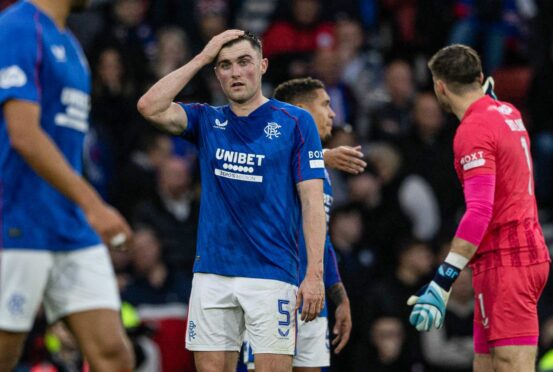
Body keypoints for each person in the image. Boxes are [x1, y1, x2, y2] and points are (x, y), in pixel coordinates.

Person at [137, 30, 327, 372]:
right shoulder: (207, 120)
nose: (235, 72)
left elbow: (312, 202)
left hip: (271, 272)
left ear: (263, 66)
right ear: (216, 73)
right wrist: (201, 57)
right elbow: (149, 106)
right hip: (212, 272)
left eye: (244, 62)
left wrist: (313, 274)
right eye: (224, 65)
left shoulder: (296, 122)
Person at [0, 1, 134, 371]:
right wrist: (94, 205)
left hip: (71, 226)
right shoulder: (17, 28)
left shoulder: (70, 43)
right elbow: (24, 136)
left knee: (114, 355)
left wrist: (84, 208)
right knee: (5, 353)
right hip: (18, 219)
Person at [407, 44, 551, 372]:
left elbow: (479, 211)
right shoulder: (508, 112)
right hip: (506, 257)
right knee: (484, 365)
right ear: (481, 78)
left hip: (508, 259)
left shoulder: (473, 129)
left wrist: (443, 280)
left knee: (513, 366)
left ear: (439, 86)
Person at [243, 77, 357, 372]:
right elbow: (269, 163)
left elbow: (321, 239)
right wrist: (324, 156)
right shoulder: (264, 152)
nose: (333, 114)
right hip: (271, 291)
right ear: (300, 111)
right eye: (325, 105)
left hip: (311, 296)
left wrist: (339, 295)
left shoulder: (321, 174)